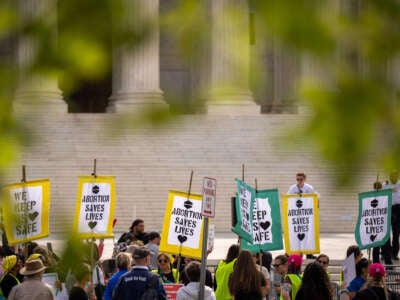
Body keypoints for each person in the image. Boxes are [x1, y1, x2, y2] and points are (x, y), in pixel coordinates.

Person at [287, 172, 317, 259]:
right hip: (297, 215)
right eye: (297, 179)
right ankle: (298, 253)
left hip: (306, 214)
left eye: (301, 179)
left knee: (308, 234)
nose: (299, 181)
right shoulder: (292, 188)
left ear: (304, 179)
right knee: (297, 234)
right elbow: (288, 199)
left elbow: (313, 199)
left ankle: (309, 253)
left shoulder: (309, 188)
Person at [372, 179, 393, 265]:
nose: (378, 188)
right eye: (377, 187)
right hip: (376, 225)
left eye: (379, 187)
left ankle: (388, 263)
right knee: (377, 247)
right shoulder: (371, 197)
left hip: (383, 225)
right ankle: (376, 263)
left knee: (386, 246)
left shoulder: (385, 197)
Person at [384, 170, 400, 260]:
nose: (392, 178)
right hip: (387, 209)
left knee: (396, 233)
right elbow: (377, 189)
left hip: (398, 209)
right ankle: (386, 252)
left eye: (394, 176)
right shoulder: (386, 184)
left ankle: (395, 253)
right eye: (391, 177)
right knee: (386, 233)